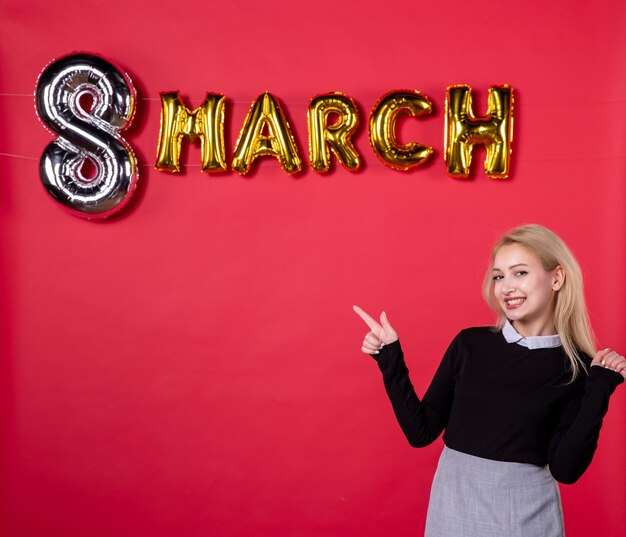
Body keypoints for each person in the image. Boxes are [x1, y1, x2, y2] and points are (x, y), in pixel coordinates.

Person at [353, 224, 625, 537]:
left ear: (556, 278)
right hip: (453, 504)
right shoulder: (470, 345)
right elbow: (421, 432)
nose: (506, 286)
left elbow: (566, 470)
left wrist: (600, 389)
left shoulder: (577, 369)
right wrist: (390, 359)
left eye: (519, 273)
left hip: (526, 514)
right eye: (499, 276)